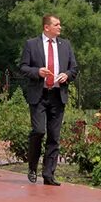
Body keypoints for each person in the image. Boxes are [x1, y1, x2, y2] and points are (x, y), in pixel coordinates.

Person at [20, 15, 78, 186]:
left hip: (57, 95)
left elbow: (74, 68)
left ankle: (48, 174)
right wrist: (37, 72)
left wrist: (66, 75)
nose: (60, 27)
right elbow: (23, 67)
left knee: (54, 136)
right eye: (56, 24)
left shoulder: (65, 45)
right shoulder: (32, 44)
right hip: (39, 95)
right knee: (38, 131)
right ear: (47, 27)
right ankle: (32, 166)